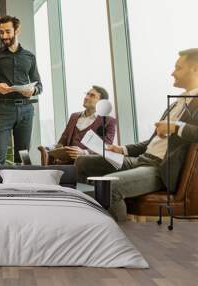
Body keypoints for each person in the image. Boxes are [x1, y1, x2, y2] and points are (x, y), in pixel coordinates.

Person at [76, 48, 198, 221]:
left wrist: (176, 127)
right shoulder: (176, 103)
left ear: (195, 69)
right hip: (141, 160)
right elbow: (151, 142)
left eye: (178, 68)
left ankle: (121, 240)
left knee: (109, 186)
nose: (172, 73)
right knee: (83, 162)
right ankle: (93, 216)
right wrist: (122, 149)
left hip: (161, 169)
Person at [0, 15, 42, 164]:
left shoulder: (29, 57)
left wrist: (33, 91)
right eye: (1, 32)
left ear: (17, 30)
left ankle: (22, 186)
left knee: (23, 157)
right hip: (2, 110)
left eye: (8, 32)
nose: (4, 36)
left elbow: (39, 85)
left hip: (26, 110)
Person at [48, 85, 116, 164]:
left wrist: (84, 153)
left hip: (88, 163)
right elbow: (63, 140)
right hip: (67, 161)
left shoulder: (109, 121)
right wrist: (55, 152)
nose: (86, 97)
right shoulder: (74, 116)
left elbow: (106, 147)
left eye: (92, 96)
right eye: (87, 94)